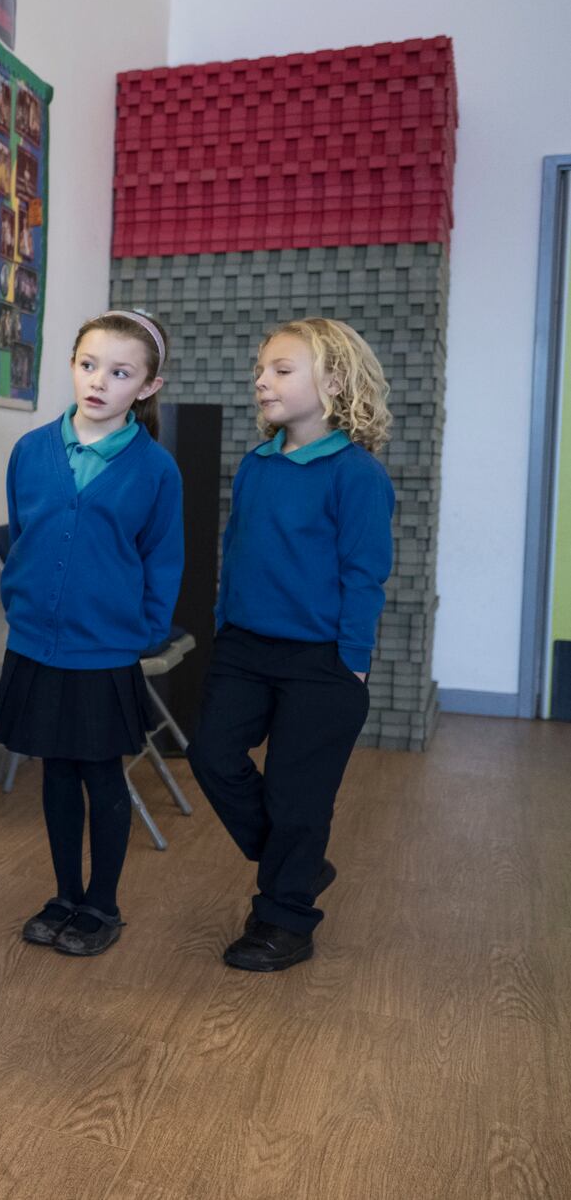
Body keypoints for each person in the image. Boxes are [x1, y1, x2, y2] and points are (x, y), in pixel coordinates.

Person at [188, 318, 395, 972]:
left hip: (320, 662)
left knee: (295, 796)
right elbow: (237, 551)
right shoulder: (255, 464)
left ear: (331, 383)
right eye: (261, 368)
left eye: (281, 369)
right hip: (244, 649)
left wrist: (351, 665)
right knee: (210, 755)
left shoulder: (356, 475)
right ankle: (298, 866)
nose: (261, 379)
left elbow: (364, 574)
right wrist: (223, 626)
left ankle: (284, 919)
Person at [0, 310, 184, 958]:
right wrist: (21, 604)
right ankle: (64, 894)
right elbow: (22, 533)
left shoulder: (155, 471)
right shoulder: (30, 451)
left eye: (119, 372)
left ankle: (102, 904)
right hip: (36, 644)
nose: (98, 381)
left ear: (146, 387)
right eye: (87, 365)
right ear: (72, 366)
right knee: (54, 774)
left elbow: (162, 557)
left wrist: (144, 630)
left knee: (101, 775)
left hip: (104, 649)